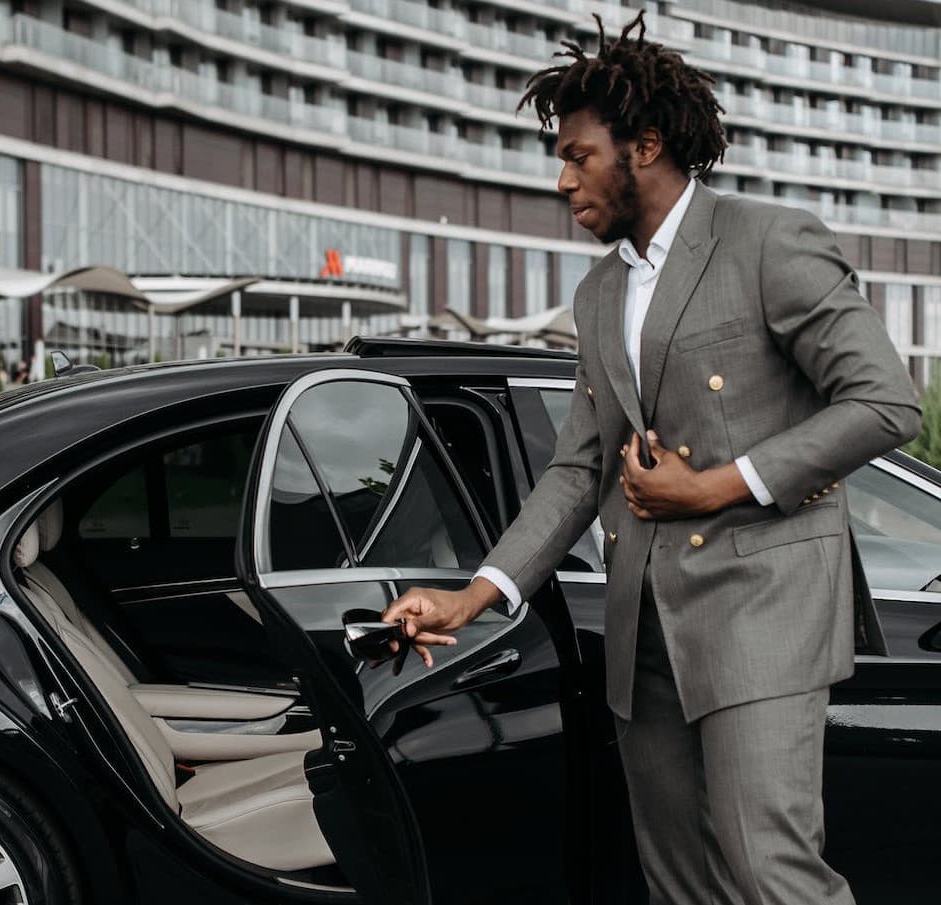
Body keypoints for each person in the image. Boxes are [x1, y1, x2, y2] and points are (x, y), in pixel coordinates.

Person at [381, 15, 920, 905]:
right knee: (678, 883)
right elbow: (574, 471)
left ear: (646, 144)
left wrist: (717, 484)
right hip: (644, 630)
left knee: (767, 872)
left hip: (761, 612)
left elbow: (885, 402)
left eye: (577, 156)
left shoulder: (767, 241)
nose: (563, 180)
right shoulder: (598, 293)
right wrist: (472, 594)